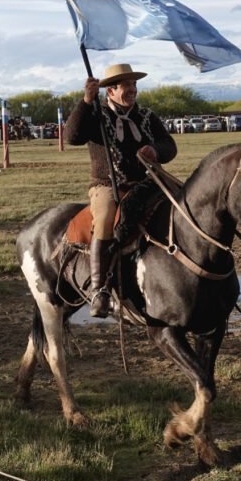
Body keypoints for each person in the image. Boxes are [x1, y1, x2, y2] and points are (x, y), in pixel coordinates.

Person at [64, 63, 177, 318]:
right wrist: (86, 101)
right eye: (127, 85)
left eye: (134, 84)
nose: (133, 89)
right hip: (107, 185)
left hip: (148, 181)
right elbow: (72, 136)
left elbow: (169, 145)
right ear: (111, 91)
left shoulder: (146, 116)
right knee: (105, 219)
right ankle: (100, 289)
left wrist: (156, 150)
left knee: (182, 199)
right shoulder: (95, 115)